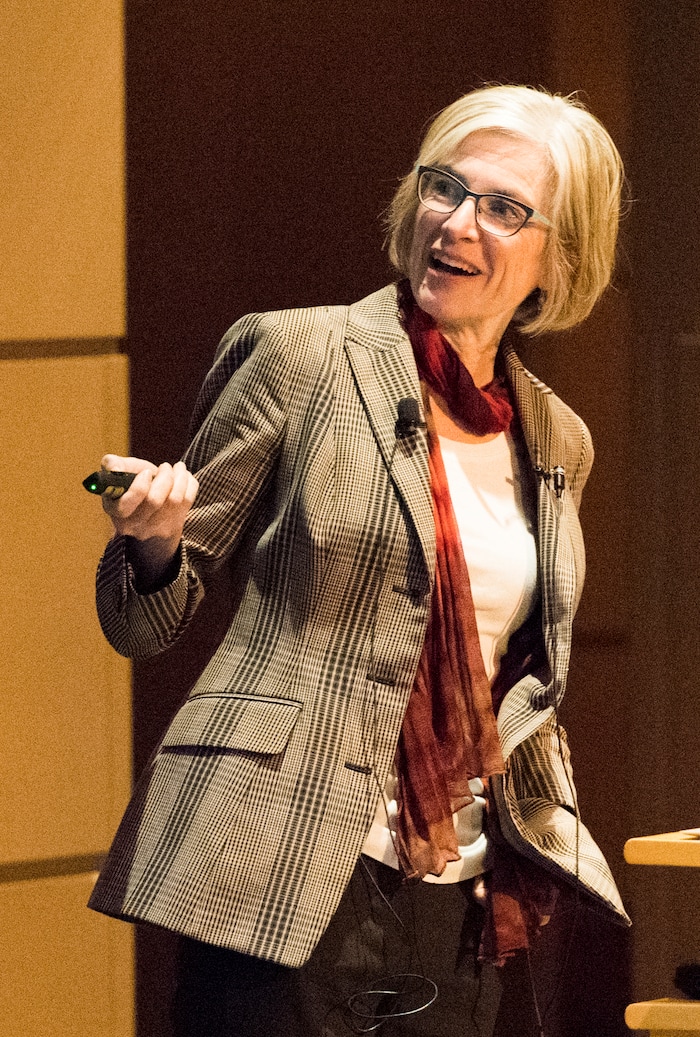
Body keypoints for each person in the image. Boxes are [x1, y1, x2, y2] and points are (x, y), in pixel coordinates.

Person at [88, 84, 630, 1037]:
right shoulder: (300, 356)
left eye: (505, 209)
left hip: (454, 891)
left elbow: (526, 671)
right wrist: (157, 541)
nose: (459, 223)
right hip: (280, 865)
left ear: (562, 256)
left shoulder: (559, 439)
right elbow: (145, 621)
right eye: (444, 188)